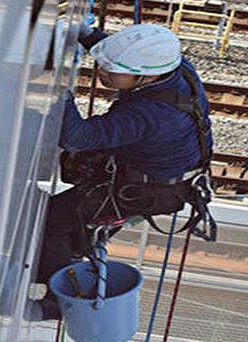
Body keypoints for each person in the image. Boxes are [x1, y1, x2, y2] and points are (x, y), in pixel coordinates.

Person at [31, 23, 214, 320]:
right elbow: (122, 60)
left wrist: (60, 92)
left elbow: (78, 138)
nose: (102, 73)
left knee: (54, 220)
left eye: (112, 71)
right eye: (103, 65)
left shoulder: (151, 115)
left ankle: (57, 303)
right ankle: (68, 257)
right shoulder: (173, 68)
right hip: (160, 178)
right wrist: (88, 34)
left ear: (147, 76)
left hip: (143, 191)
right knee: (75, 226)